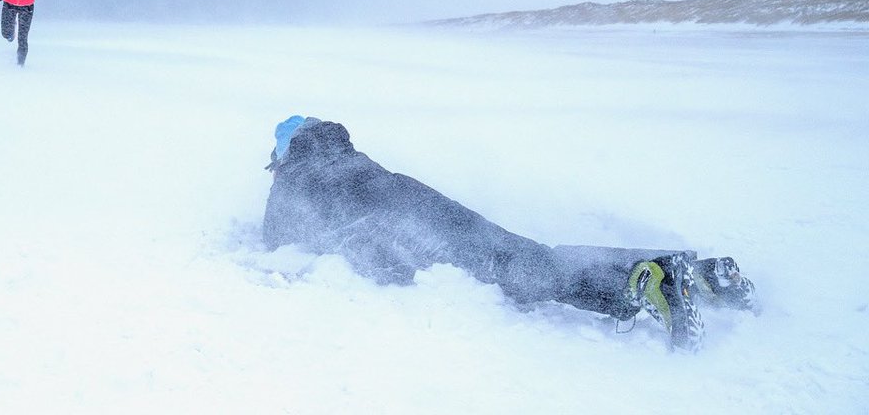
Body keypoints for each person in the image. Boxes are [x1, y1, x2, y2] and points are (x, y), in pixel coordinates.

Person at [262, 116, 759, 351]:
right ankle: (692, 271)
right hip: (423, 201)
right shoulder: (352, 158)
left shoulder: (295, 179)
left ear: (285, 152)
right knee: (528, 255)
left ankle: (642, 282)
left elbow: (277, 240)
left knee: (525, 273)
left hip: (405, 231)